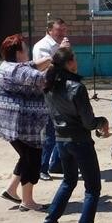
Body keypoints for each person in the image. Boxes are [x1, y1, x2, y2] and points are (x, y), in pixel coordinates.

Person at [39, 48, 109, 223]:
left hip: (61, 140)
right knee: (92, 188)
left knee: (68, 182)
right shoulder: (76, 87)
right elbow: (88, 122)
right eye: (74, 59)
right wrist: (102, 122)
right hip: (80, 141)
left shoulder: (49, 85)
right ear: (69, 63)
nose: (76, 62)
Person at [0, 34, 52, 211]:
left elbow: (31, 65)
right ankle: (27, 201)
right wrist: (57, 61)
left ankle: (11, 190)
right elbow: (42, 79)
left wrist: (49, 58)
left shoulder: (8, 66)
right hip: (22, 126)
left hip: (12, 125)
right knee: (32, 159)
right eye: (25, 49)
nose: (28, 51)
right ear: (19, 52)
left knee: (25, 157)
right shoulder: (17, 71)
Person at [33, 18, 71, 181]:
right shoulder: (43, 46)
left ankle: (56, 163)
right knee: (49, 132)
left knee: (62, 129)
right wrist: (60, 52)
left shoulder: (61, 45)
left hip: (61, 92)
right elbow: (44, 69)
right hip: (47, 94)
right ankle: (41, 167)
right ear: (49, 30)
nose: (62, 33)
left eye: (64, 30)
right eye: (59, 30)